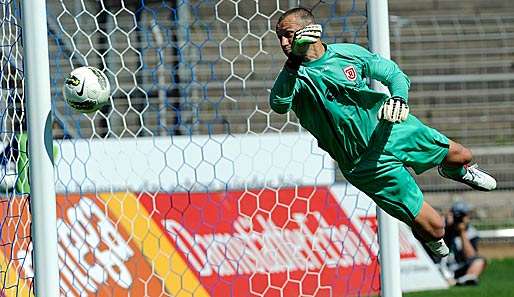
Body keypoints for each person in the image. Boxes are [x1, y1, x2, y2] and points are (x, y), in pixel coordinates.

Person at [269, 7, 497, 257]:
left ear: (308, 33)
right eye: (279, 37)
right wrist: (292, 64)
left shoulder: (346, 54)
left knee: (462, 155)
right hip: (366, 164)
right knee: (436, 228)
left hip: (392, 129)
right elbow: (279, 105)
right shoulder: (294, 77)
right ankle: (428, 234)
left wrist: (399, 98)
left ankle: (455, 171)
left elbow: (393, 73)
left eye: (288, 35)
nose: (283, 42)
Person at [439, 201, 486, 285]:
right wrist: (445, 225)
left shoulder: (471, 232)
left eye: (462, 215)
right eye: (457, 215)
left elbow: (471, 256)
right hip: (443, 265)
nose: (459, 218)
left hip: (459, 267)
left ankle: (466, 279)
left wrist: (462, 232)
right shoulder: (444, 228)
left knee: (479, 261)